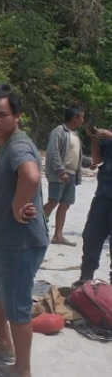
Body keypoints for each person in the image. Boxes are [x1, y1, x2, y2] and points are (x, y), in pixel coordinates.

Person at [0, 84, 49, 377]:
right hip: (3, 240)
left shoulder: (17, 145)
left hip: (21, 242)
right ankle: (3, 344)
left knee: (17, 306)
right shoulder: (7, 144)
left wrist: (18, 206)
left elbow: (31, 175)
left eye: (3, 114)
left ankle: (22, 369)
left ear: (17, 116)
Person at [43, 105, 92, 246]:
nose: (82, 120)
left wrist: (89, 163)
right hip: (61, 174)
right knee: (53, 201)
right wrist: (60, 171)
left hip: (71, 174)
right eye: (81, 117)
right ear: (74, 117)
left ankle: (58, 236)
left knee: (65, 204)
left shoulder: (75, 134)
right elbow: (53, 153)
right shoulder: (59, 132)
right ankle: (35, 225)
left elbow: (77, 155)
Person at [77, 109, 112, 285]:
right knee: (91, 237)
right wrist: (94, 139)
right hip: (103, 195)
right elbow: (97, 160)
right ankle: (85, 279)